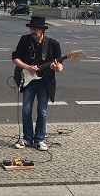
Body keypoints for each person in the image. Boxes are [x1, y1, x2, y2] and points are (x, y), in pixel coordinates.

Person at [11, 16, 63, 151]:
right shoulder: (24, 40)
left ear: (42, 30)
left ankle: (39, 139)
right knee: (26, 110)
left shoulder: (53, 44)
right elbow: (15, 58)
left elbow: (60, 67)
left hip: (45, 82)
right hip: (28, 80)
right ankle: (27, 138)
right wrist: (27, 67)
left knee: (42, 111)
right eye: (31, 29)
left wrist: (57, 68)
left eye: (35, 29)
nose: (32, 31)